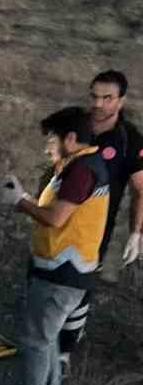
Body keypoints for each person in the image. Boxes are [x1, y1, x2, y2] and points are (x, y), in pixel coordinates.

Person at [0, 107, 109, 385]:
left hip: (61, 276)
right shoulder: (79, 166)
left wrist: (19, 200)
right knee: (48, 339)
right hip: (67, 273)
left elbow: (54, 219)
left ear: (70, 138)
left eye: (52, 138)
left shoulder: (82, 171)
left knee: (36, 342)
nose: (47, 145)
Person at [57, 69, 143, 355]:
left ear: (121, 101)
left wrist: (135, 233)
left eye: (107, 98)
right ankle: (43, 331)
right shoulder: (74, 123)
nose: (99, 104)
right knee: (50, 271)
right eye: (94, 96)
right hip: (57, 213)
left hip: (95, 227)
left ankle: (65, 351)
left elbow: (140, 188)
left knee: (81, 283)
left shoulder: (129, 140)